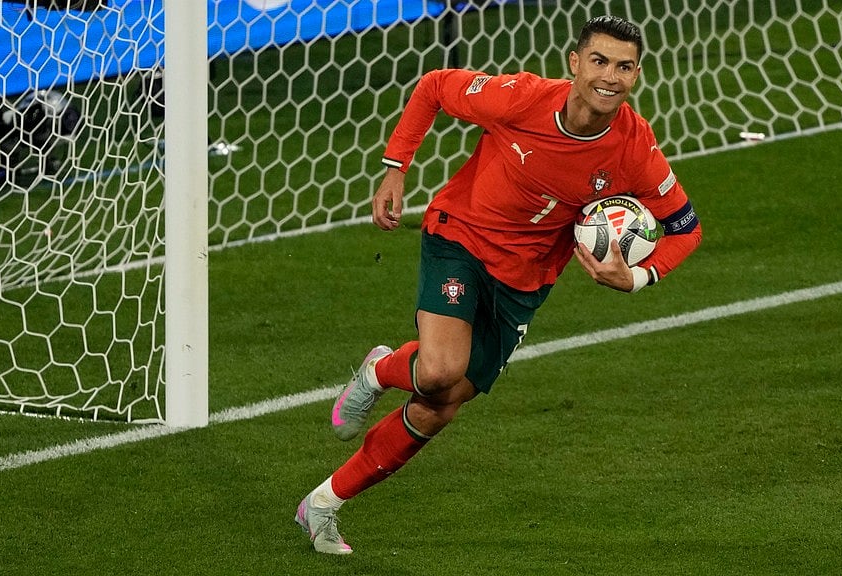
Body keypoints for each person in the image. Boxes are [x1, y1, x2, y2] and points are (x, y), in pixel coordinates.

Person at [295, 15, 702, 554]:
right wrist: (396, 165)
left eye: (624, 66)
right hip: (460, 237)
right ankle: (382, 370)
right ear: (575, 63)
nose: (610, 76)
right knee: (440, 368)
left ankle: (323, 503)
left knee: (438, 405)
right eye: (599, 61)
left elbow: (684, 227)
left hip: (526, 280)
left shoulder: (634, 147)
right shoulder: (521, 99)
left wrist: (637, 278)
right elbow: (434, 86)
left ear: (637, 75)